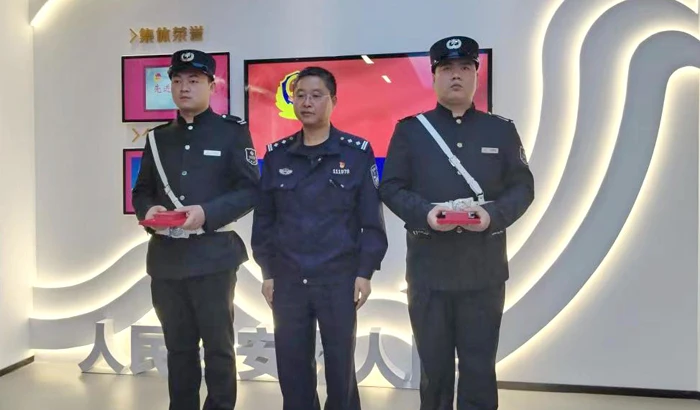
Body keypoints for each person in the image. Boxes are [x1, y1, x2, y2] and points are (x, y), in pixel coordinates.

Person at [378, 36, 535, 410]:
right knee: (434, 370)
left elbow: (523, 187)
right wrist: (426, 214)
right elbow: (391, 187)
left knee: (479, 367)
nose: (456, 75)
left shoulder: (501, 130)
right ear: (434, 76)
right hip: (429, 270)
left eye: (465, 67)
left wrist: (493, 215)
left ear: (476, 75)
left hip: (483, 269)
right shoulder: (411, 130)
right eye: (447, 68)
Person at [251, 66, 388, 410]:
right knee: (292, 367)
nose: (307, 102)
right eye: (300, 95)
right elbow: (264, 219)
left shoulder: (356, 153)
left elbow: (371, 220)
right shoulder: (277, 155)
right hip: (289, 279)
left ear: (333, 101)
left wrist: (365, 272)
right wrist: (267, 272)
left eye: (316, 95)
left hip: (338, 278)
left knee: (340, 368)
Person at [131, 49, 260, 410]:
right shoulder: (157, 139)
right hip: (166, 260)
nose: (184, 87)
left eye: (193, 80)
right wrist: (149, 210)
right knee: (179, 348)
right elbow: (142, 190)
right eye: (177, 80)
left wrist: (207, 213)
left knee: (219, 348)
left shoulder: (231, 132)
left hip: (213, 257)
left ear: (212, 86)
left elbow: (250, 190)